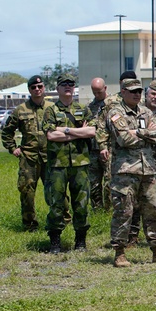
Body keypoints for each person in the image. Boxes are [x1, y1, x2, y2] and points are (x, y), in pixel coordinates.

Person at [106, 78, 156, 267]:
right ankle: (120, 253)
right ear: (123, 92)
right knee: (124, 212)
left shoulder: (145, 111)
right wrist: (146, 133)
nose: (136, 94)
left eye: (139, 91)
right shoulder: (116, 112)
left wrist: (138, 132)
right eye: (132, 91)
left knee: (153, 211)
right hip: (125, 172)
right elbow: (123, 139)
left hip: (148, 170)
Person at [41, 75, 95, 253]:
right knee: (56, 203)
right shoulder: (50, 111)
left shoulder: (83, 109)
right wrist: (78, 131)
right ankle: (55, 241)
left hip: (80, 163)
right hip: (58, 164)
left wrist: (64, 130)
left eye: (71, 84)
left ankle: (80, 241)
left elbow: (92, 131)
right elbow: (50, 135)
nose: (68, 87)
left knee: (81, 203)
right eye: (63, 84)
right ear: (57, 88)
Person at [0, 74, 52, 231]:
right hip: (28, 157)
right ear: (29, 90)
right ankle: (30, 225)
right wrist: (12, 147)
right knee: (27, 191)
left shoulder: (52, 108)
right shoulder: (21, 110)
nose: (37, 89)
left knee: (55, 191)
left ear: (44, 88)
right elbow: (7, 131)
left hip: (49, 156)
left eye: (40, 86)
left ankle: (60, 221)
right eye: (33, 87)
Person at [127, 80, 156, 243]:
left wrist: (141, 133)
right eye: (153, 94)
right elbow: (127, 133)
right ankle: (132, 236)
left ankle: (155, 236)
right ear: (146, 95)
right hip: (138, 162)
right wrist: (151, 132)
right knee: (134, 201)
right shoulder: (136, 111)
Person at [86, 77, 111, 209]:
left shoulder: (113, 104)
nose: (96, 95)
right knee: (94, 182)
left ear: (105, 88)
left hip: (109, 149)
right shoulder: (90, 107)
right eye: (94, 92)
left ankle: (109, 209)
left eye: (99, 92)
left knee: (109, 181)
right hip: (93, 150)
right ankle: (97, 209)